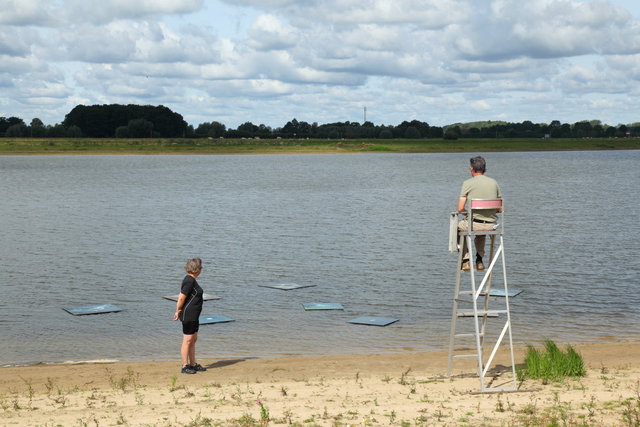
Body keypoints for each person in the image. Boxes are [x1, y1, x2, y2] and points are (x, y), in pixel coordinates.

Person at [457, 156, 502, 271]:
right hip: (491, 225)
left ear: (471, 169)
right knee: (481, 231)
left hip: (473, 224)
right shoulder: (494, 183)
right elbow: (500, 209)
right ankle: (479, 260)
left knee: (457, 227)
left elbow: (460, 208)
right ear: (484, 169)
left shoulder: (467, 183)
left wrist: (467, 213)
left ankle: (465, 259)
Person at [173, 257, 207, 374]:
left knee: (193, 340)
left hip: (194, 315)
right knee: (187, 340)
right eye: (201, 267)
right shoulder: (189, 280)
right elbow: (181, 297)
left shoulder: (192, 280)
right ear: (197, 269)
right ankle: (184, 366)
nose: (201, 269)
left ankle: (193, 364)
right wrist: (178, 311)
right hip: (188, 315)